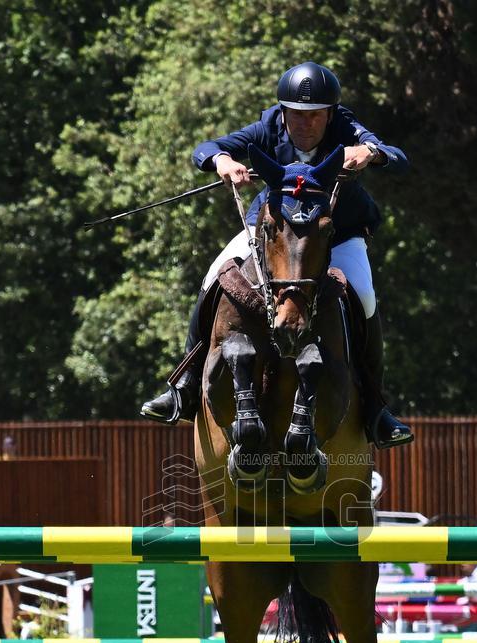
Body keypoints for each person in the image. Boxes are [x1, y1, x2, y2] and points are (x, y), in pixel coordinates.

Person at [141, 61, 413, 450]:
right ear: (283, 111)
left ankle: (375, 408)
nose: (304, 124)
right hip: (272, 237)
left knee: (365, 298)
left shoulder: (346, 129)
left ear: (330, 114)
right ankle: (184, 386)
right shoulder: (268, 127)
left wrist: (370, 153)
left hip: (337, 237)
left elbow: (397, 156)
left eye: (315, 116)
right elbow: (207, 148)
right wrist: (223, 161)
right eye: (296, 115)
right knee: (211, 277)